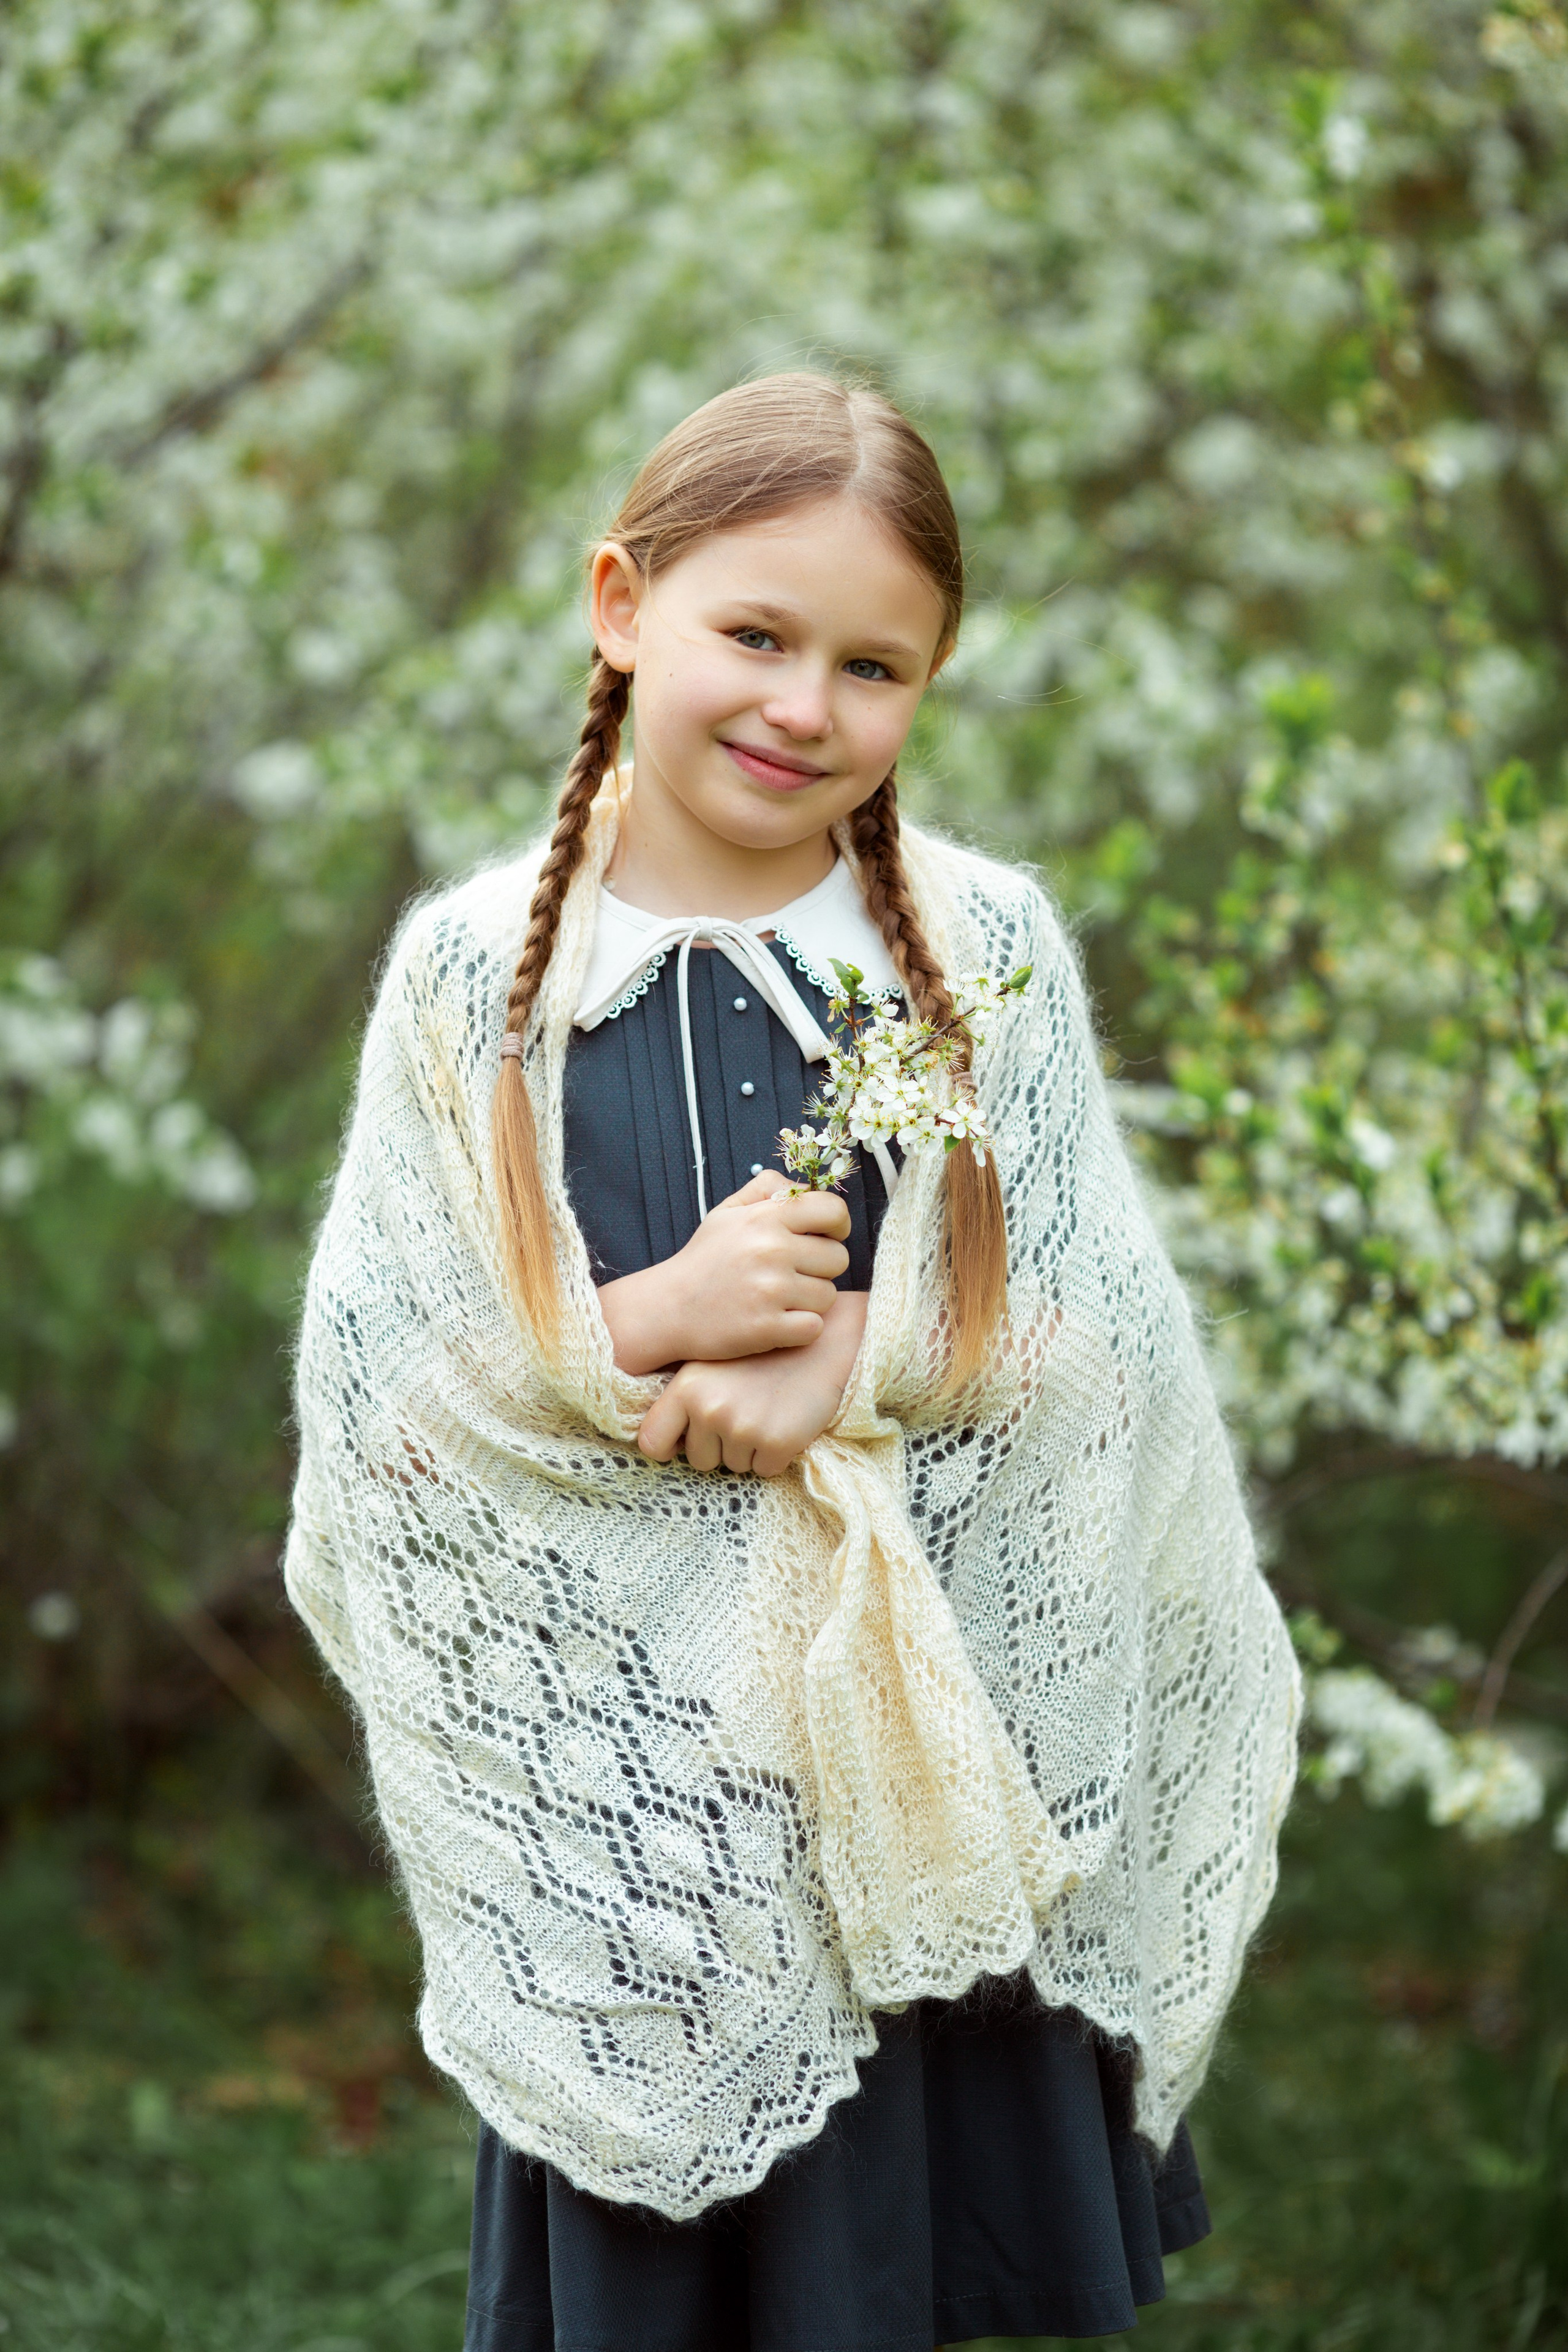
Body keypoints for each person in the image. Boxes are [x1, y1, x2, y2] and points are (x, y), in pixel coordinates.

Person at [284, 372, 1302, 2351]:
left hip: (922, 1820)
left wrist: (855, 1355)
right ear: (620, 606)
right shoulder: (484, 984)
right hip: (635, 1840)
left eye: (873, 665)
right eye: (753, 633)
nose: (801, 705)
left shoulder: (972, 953)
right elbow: (386, 1417)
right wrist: (639, 1327)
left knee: (897, 2292)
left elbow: (1107, 1368)